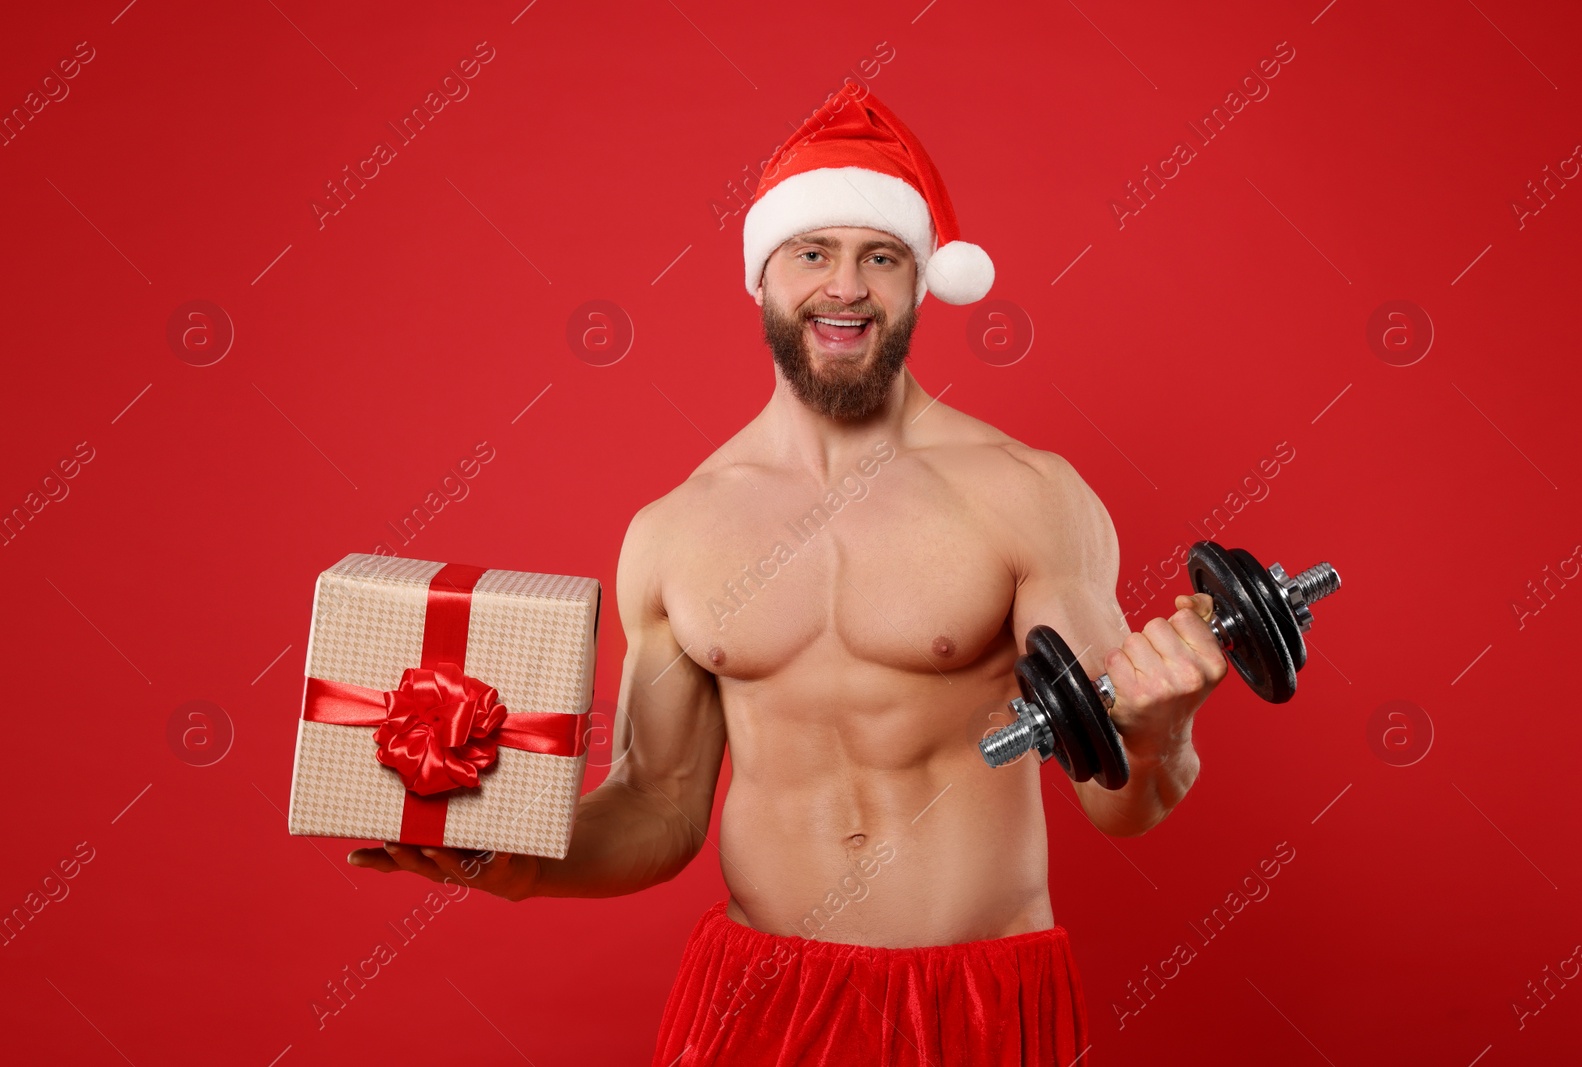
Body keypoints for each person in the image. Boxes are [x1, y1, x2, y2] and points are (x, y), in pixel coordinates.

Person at [349, 85, 1228, 1066]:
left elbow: (1123, 796)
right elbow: (659, 806)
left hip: (971, 999)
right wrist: (511, 864)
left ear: (921, 279)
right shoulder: (674, 532)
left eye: (880, 256)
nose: (844, 287)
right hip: (759, 1003)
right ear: (760, 277)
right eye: (813, 252)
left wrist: (1160, 729)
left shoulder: (1028, 496)